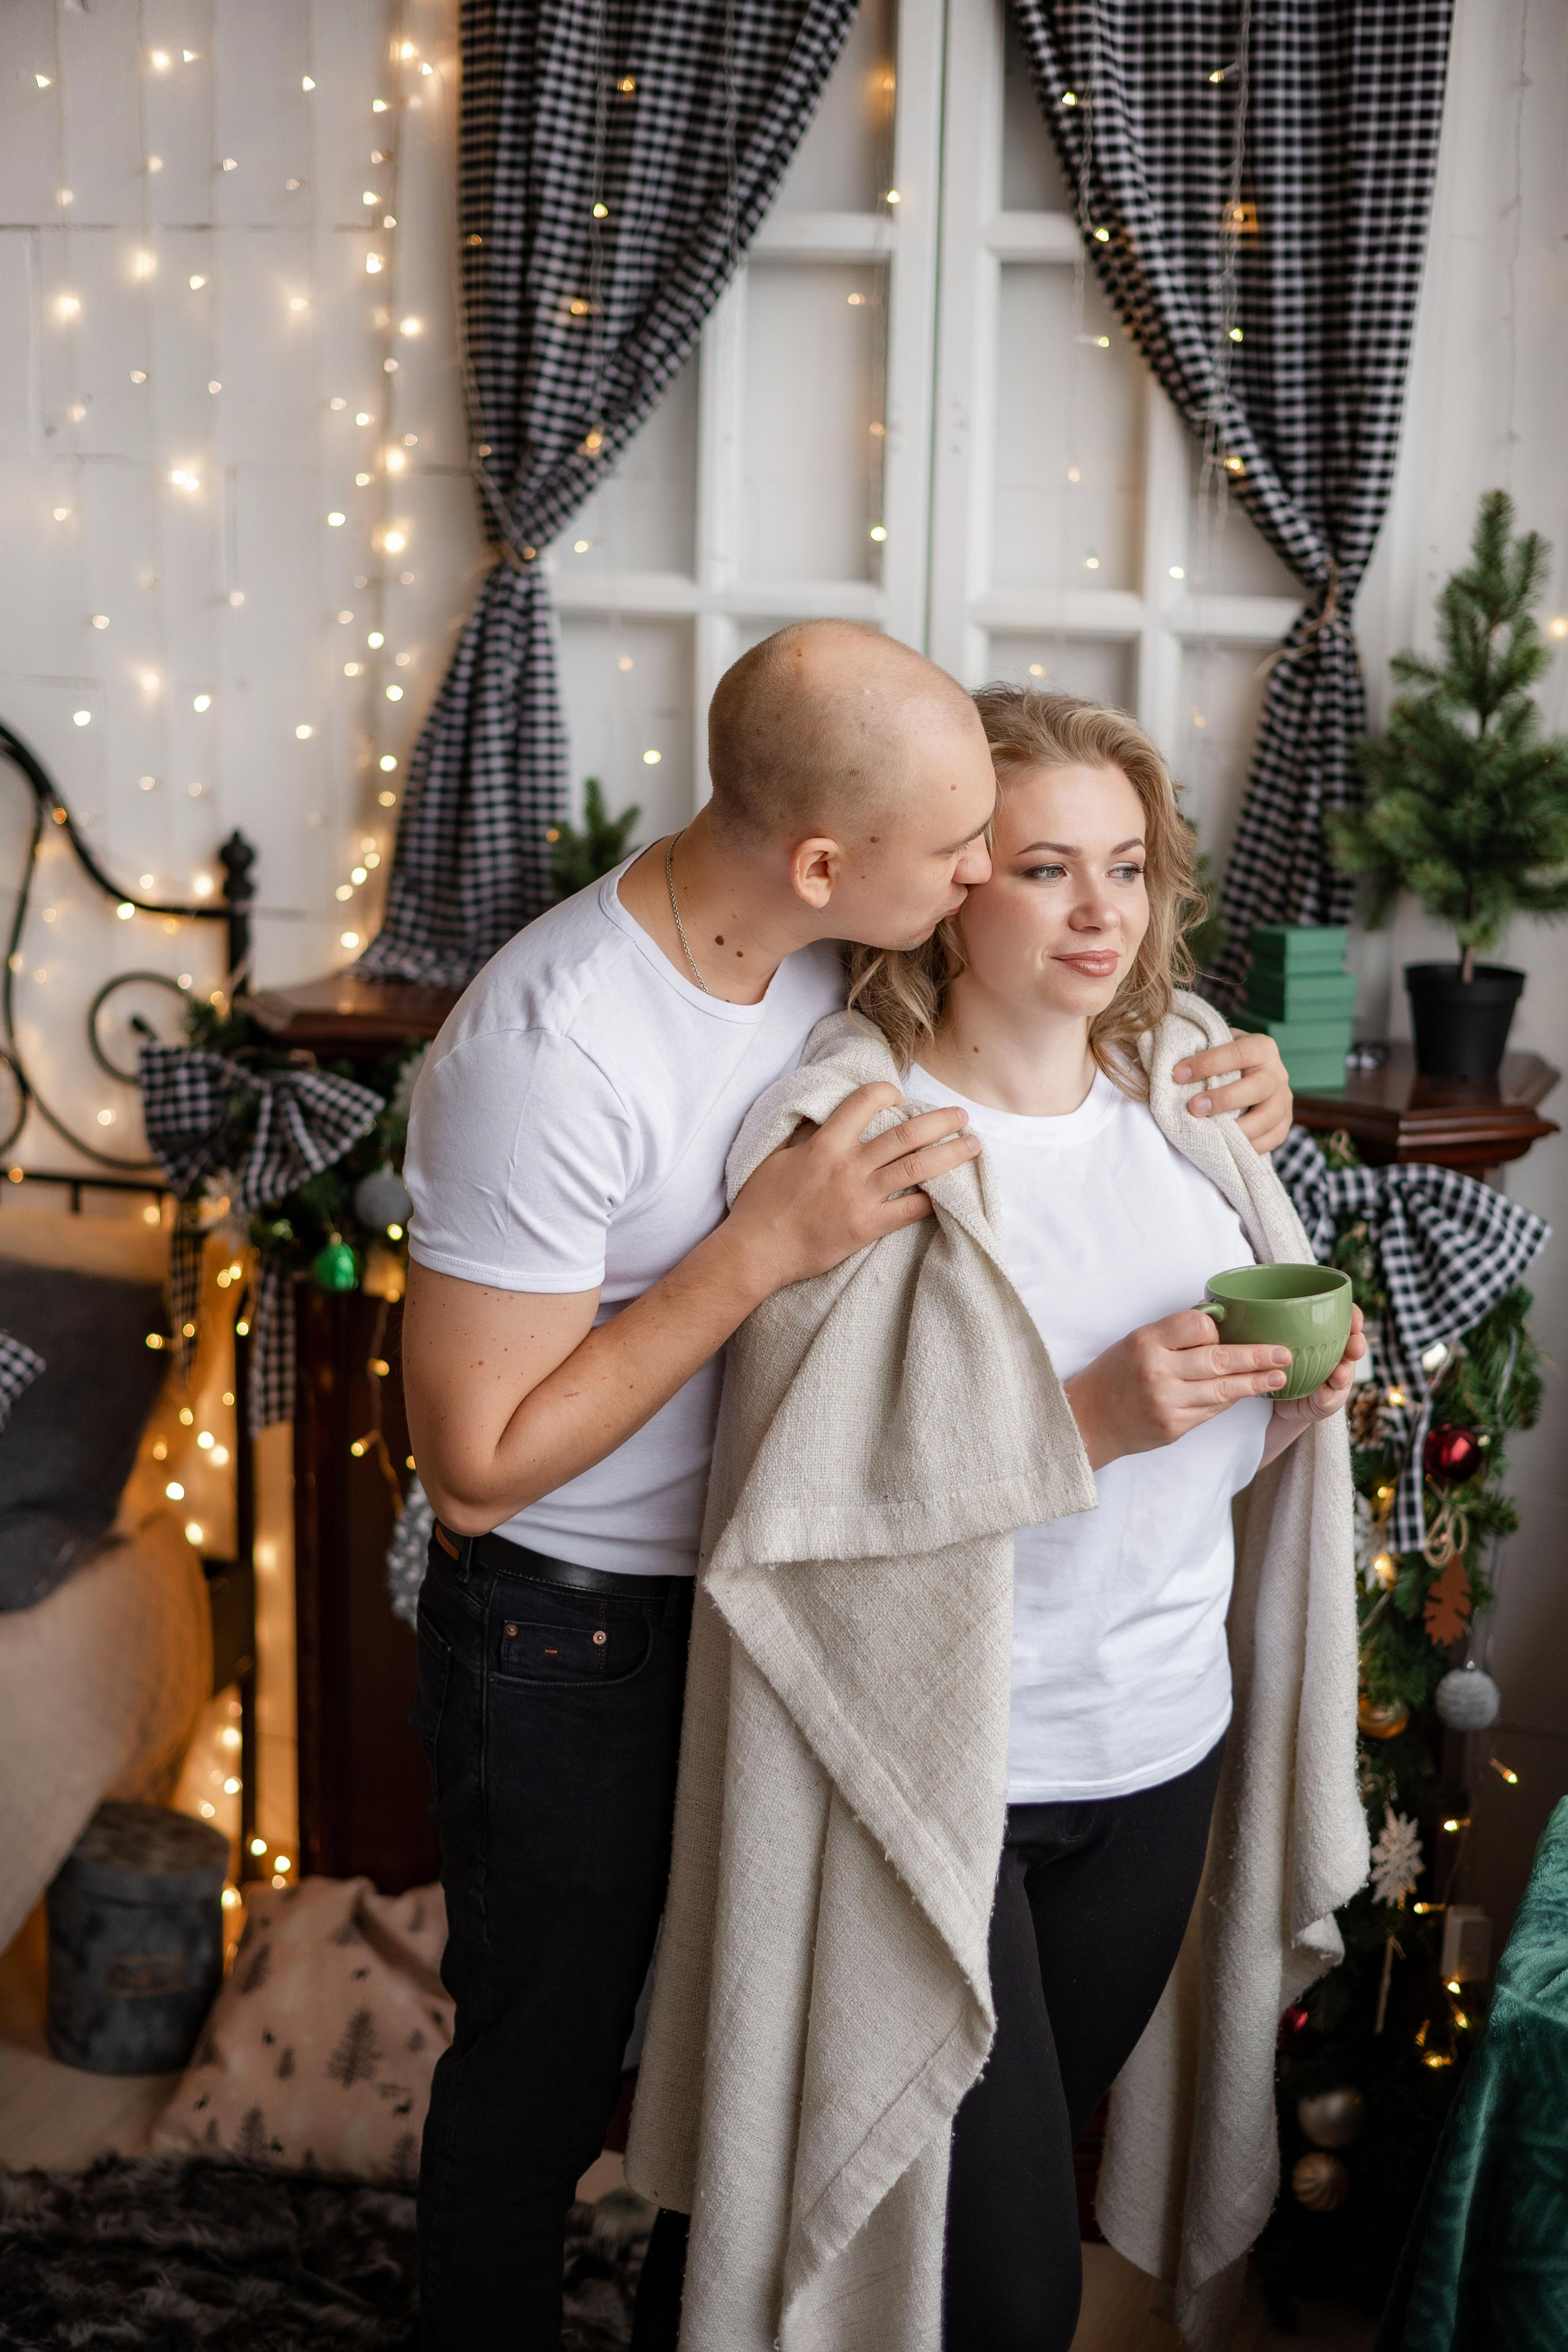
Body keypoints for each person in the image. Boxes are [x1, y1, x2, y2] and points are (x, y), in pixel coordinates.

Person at [399, 630, 1296, 2351]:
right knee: (550, 2071)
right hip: (583, 1631)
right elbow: (475, 1469)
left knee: (753, 2087)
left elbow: (1068, 1008)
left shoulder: (836, 952)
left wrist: (1226, 1055)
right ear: (829, 864)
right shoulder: (551, 1046)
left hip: (802, 1623)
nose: (983, 879)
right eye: (971, 854)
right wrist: (754, 1251)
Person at [625, 686, 1366, 2352]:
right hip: (947, 1780)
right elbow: (802, 1514)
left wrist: (1292, 1406)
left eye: (1130, 865)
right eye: (1046, 867)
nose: (1103, 912)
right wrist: (1088, 1413)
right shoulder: (861, 1141)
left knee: (912, 2201)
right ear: (955, 886)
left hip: (1157, 1755)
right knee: (1001, 2280)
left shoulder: (1191, 1105)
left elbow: (1215, 1461)